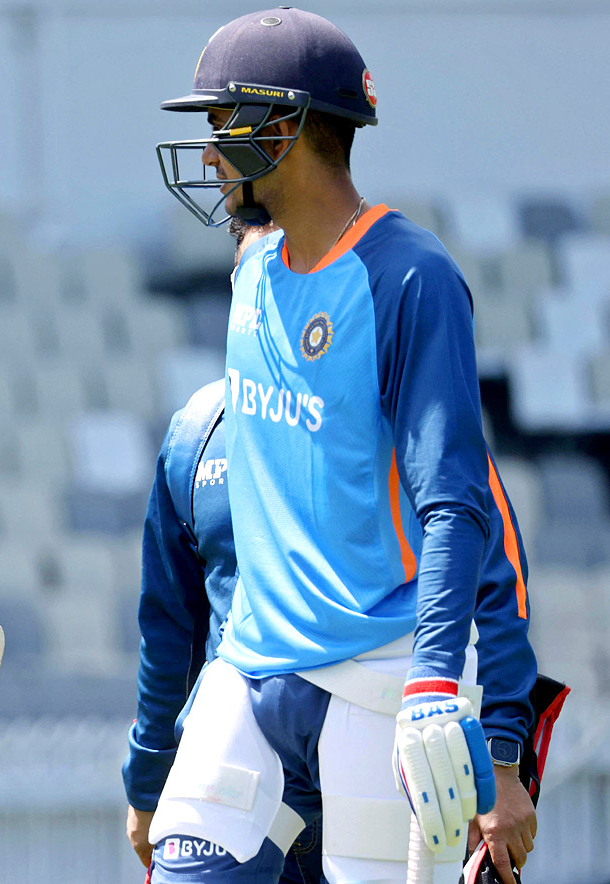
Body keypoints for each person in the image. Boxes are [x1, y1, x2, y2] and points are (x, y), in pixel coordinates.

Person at [145, 8, 505, 883]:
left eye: (224, 123)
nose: (211, 148)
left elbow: (457, 502)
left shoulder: (410, 276)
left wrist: (433, 683)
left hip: (381, 672)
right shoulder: (252, 262)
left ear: (286, 129)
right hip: (251, 665)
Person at [123, 219, 539, 884]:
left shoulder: (394, 417)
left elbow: (498, 579)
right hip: (251, 747)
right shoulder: (194, 438)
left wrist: (504, 755)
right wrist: (150, 779)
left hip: (378, 733)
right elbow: (169, 626)